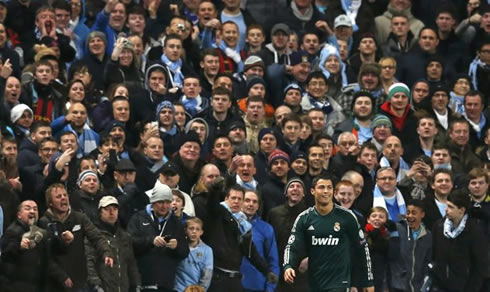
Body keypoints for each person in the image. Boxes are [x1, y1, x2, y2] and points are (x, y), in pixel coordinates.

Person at [283, 174, 374, 291]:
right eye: (321, 187)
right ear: (312, 191)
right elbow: (292, 246)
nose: (326, 191)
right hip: (314, 283)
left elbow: (362, 249)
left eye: (329, 187)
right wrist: (288, 266)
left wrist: (368, 281)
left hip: (340, 283)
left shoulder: (347, 217)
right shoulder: (304, 218)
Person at [203, 181, 277, 291]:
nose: (236, 201)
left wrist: (267, 271)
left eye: (239, 199)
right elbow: (211, 204)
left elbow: (251, 253)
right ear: (226, 199)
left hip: (235, 280)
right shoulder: (218, 214)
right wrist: (215, 189)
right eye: (233, 198)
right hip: (217, 279)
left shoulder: (245, 226)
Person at [38, 183, 114, 291]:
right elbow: (45, 256)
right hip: (55, 283)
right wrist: (61, 276)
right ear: (50, 203)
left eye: (65, 195)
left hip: (79, 280)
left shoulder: (79, 218)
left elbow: (97, 237)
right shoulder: (44, 223)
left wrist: (106, 252)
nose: (63, 198)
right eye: (58, 196)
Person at [127, 182, 189, 292]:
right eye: (160, 202)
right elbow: (129, 242)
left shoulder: (176, 223)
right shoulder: (138, 218)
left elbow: (185, 252)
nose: (164, 206)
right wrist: (150, 241)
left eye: (167, 202)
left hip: (165, 284)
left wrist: (176, 246)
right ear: (153, 201)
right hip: (141, 281)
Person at [431, 191, 488, 292]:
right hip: (440, 286)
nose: (446, 210)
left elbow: (480, 265)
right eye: (446, 205)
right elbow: (434, 256)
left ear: (461, 210)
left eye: (451, 207)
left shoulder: (475, 231)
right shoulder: (439, 227)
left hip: (465, 287)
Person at [86, 196, 141, 292]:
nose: (111, 212)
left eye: (115, 209)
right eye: (107, 209)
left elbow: (131, 263)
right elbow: (89, 261)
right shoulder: (94, 235)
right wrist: (96, 285)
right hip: (102, 288)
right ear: (100, 212)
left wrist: (136, 284)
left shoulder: (125, 236)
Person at [0, 200, 48, 292]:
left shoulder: (39, 232)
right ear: (19, 215)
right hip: (15, 287)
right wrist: (19, 247)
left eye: (35, 209)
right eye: (27, 208)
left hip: (34, 285)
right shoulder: (13, 231)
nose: (32, 211)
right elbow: (5, 252)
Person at [388, 199, 432, 292]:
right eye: (408, 212)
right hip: (397, 286)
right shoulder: (397, 229)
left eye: (414, 213)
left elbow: (428, 261)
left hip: (418, 287)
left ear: (422, 214)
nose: (410, 216)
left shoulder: (427, 235)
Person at [240, 190, 280, 292]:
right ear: (241, 202)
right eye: (247, 200)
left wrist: (270, 288)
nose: (251, 204)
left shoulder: (266, 229)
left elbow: (273, 261)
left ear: (258, 206)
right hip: (232, 284)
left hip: (257, 286)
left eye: (254, 202)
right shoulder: (229, 224)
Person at [174, 217, 214, 292]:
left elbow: (207, 275)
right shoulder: (179, 246)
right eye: (191, 228)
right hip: (177, 288)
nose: (194, 232)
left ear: (201, 232)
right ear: (185, 230)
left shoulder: (207, 250)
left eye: (197, 229)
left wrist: (201, 289)